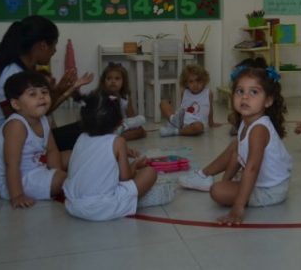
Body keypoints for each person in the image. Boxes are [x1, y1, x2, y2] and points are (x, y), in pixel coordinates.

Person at [178, 57, 292, 225]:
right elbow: (239, 155)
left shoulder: (259, 129)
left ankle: (217, 182)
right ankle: (212, 178)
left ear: (268, 100)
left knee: (217, 191)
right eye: (240, 91)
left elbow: (252, 168)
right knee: (235, 147)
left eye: (254, 92)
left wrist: (238, 208)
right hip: (267, 183)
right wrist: (228, 181)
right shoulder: (247, 122)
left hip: (271, 191)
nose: (245, 97)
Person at [0, 15, 93, 167]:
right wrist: (62, 93)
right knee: (85, 136)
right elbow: (22, 122)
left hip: (25, 140)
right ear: (43, 45)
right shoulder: (11, 74)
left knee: (88, 127)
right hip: (8, 150)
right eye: (54, 45)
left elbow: (36, 113)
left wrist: (60, 91)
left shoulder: (21, 68)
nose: (54, 51)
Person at [63, 92, 174, 221]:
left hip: (73, 204)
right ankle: (136, 201)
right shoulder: (118, 141)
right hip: (102, 207)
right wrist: (135, 165)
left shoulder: (81, 138)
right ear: (120, 122)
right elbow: (125, 177)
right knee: (150, 173)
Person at [0, 70, 67, 208]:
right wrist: (17, 195)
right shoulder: (16, 125)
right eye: (32, 94)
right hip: (14, 182)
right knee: (66, 180)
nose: (41, 97)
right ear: (16, 104)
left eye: (44, 92)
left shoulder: (43, 120)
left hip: (36, 170)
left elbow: (52, 151)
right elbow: (11, 164)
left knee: (73, 156)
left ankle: (60, 182)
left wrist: (56, 172)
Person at [159, 63, 218, 137]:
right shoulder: (185, 92)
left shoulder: (208, 93)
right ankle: (173, 121)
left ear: (204, 80)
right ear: (186, 83)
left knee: (198, 127)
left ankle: (176, 131)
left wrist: (211, 123)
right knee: (163, 102)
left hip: (196, 123)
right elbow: (182, 108)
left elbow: (210, 109)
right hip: (181, 121)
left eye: (198, 80)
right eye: (191, 81)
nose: (195, 84)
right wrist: (177, 117)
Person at [97, 62, 147, 141]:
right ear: (104, 81)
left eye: (117, 78)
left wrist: (133, 124)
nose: (113, 81)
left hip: (123, 126)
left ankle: (115, 137)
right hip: (107, 126)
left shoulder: (125, 97)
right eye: (109, 78)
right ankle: (113, 137)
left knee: (141, 129)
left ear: (123, 81)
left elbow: (131, 116)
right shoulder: (101, 96)